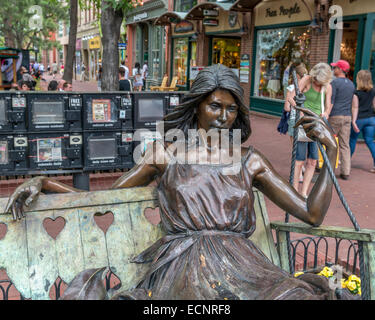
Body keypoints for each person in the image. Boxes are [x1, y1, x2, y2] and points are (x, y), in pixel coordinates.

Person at [5, 64, 345, 300]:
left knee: (295, 294)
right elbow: (104, 199)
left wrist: (328, 153)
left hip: (245, 266)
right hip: (184, 265)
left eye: (231, 109)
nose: (223, 118)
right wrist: (44, 181)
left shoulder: (249, 159)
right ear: (196, 105)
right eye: (215, 106)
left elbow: (311, 214)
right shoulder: (164, 154)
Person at [286, 62, 333, 198]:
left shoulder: (327, 86)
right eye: (317, 81)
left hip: (316, 125)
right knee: (299, 160)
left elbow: (327, 105)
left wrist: (326, 114)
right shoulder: (307, 79)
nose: (318, 84)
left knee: (313, 160)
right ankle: (294, 190)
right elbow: (290, 97)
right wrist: (301, 112)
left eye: (321, 82)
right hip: (303, 123)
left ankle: (304, 192)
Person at [324, 60, 355, 180]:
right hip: (347, 116)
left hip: (335, 116)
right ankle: (345, 172)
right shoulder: (351, 84)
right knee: (344, 145)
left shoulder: (334, 83)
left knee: (329, 141)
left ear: (340, 70)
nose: (333, 70)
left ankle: (326, 168)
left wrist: (327, 113)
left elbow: (331, 100)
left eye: (335, 68)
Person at [284, 62, 308, 183]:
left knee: (295, 148)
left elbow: (287, 107)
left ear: (297, 76)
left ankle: (298, 174)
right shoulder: (310, 86)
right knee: (303, 147)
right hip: (307, 119)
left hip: (295, 119)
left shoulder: (291, 88)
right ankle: (302, 169)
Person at [349, 70, 375, 173]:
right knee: (369, 141)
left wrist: (354, 121)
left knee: (352, 140)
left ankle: (347, 161)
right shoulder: (373, 91)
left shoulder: (356, 92)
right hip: (371, 119)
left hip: (360, 119)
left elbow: (355, 107)